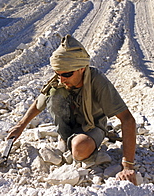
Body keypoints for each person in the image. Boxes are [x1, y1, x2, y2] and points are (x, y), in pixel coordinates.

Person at [7, 34, 137, 185]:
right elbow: (39, 103)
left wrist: (127, 166)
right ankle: (66, 136)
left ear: (81, 68)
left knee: (80, 149)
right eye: (58, 74)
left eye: (67, 75)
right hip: (69, 126)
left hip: (92, 126)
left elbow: (127, 119)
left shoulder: (97, 81)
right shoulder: (60, 78)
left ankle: (78, 142)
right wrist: (20, 126)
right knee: (54, 93)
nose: (62, 79)